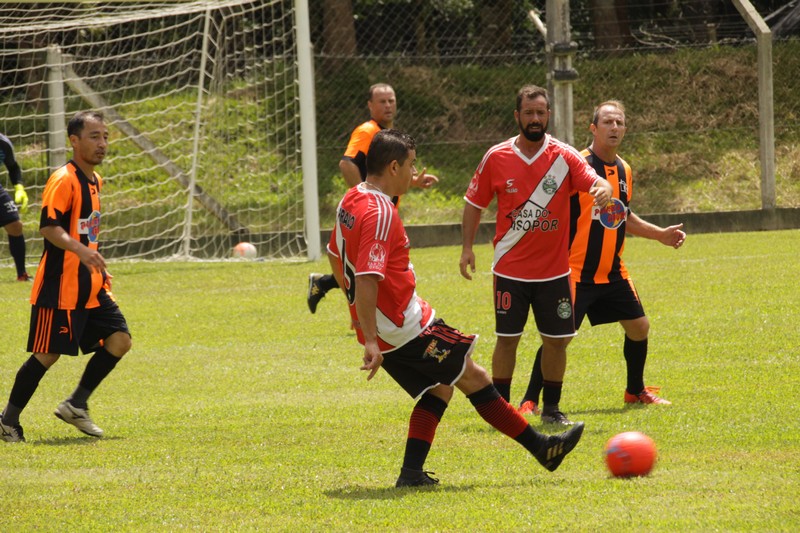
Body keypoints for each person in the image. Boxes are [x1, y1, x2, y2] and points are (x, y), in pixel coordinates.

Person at [327, 129, 584, 487]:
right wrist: (371, 337)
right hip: (403, 327)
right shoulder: (380, 212)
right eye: (411, 165)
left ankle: (411, 474)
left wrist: (358, 315)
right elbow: (368, 277)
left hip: (392, 322)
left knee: (440, 387)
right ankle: (543, 448)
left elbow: (334, 255)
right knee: (474, 377)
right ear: (394, 166)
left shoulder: (352, 198)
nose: (413, 172)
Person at [519, 100, 686, 414]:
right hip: (574, 271)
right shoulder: (575, 163)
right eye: (608, 122)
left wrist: (660, 234)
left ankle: (635, 391)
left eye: (619, 122)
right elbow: (544, 204)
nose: (614, 127)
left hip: (612, 271)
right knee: (559, 339)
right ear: (593, 128)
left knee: (639, 327)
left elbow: (622, 215)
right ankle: (529, 400)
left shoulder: (624, 170)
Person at [459, 85, 613, 426]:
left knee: (557, 342)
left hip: (554, 272)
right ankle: (500, 410)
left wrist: (603, 189)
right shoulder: (496, 156)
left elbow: (596, 181)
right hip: (510, 270)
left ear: (548, 116)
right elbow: (473, 204)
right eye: (528, 113)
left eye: (540, 113)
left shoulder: (564, 156)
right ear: (517, 116)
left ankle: (552, 409)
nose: (535, 119)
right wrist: (467, 247)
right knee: (507, 340)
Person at [0, 111, 132, 443]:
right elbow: (49, 227)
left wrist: (95, 261)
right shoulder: (63, 179)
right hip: (61, 285)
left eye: (105, 137)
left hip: (91, 285)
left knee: (120, 340)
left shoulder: (95, 181)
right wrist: (81, 251)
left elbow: (86, 230)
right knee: (48, 353)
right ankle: (7, 421)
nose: (102, 144)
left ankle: (76, 404)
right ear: (74, 141)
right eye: (94, 136)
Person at [307, 83, 438, 314]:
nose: (388, 105)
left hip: (382, 215)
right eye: (382, 101)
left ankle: (326, 285)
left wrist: (413, 181)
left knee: (375, 265)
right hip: (372, 217)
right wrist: (366, 200)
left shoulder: (387, 134)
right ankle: (371, 315)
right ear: (370, 105)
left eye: (391, 100)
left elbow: (385, 175)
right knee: (373, 267)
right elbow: (347, 164)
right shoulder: (367, 131)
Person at [1, 133, 31, 281]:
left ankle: (22, 274)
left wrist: (19, 187)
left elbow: (13, 167)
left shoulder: (3, 143)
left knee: (15, 225)